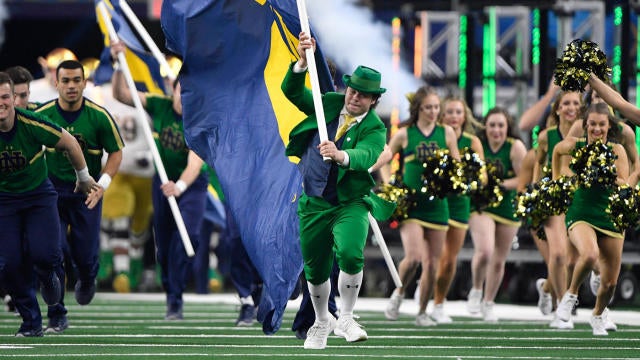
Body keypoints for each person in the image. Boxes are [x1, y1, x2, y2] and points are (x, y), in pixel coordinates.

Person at [282, 31, 393, 350]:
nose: (354, 97)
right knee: (315, 267)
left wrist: (341, 155)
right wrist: (302, 62)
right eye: (352, 90)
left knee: (349, 251)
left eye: (362, 95)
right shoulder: (327, 103)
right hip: (314, 200)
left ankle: (345, 316)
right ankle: (320, 321)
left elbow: (368, 155)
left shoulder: (375, 127)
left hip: (350, 202)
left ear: (373, 100)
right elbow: (291, 91)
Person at [111, 41, 208, 320]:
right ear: (173, 89)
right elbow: (121, 93)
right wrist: (120, 64)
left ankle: (177, 296)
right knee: (163, 247)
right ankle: (171, 296)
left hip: (189, 186)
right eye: (181, 91)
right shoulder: (160, 105)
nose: (184, 98)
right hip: (161, 184)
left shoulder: (200, 119)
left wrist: (179, 186)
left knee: (188, 236)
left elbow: (195, 162)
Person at [0, 72, 97, 336]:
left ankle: (50, 274)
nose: (3, 103)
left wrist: (84, 177)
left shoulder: (31, 122)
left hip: (37, 197)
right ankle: (30, 322)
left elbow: (70, 143)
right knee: (8, 263)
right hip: (4, 201)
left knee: (45, 253)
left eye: (6, 97)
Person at [35, 60, 124, 333]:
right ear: (57, 83)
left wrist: (102, 185)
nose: (71, 86)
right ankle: (56, 314)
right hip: (52, 193)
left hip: (87, 194)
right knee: (54, 252)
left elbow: (116, 152)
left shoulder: (99, 116)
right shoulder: (43, 114)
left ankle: (87, 276)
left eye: (76, 80)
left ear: (85, 82)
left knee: (85, 256)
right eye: (66, 81)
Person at [382, 86, 460, 326]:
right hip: (412, 206)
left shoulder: (447, 133)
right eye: (428, 107)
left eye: (436, 107)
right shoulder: (404, 134)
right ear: (418, 109)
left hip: (438, 206)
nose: (434, 112)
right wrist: (390, 185)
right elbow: (384, 159)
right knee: (414, 257)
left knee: (432, 264)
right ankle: (399, 292)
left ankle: (423, 312)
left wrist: (453, 177)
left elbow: (457, 165)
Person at [552, 102, 628, 336]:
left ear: (609, 126)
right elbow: (557, 152)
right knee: (590, 254)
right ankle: (570, 295)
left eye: (601, 124)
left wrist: (605, 174)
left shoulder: (617, 151)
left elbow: (624, 181)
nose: (597, 129)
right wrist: (558, 181)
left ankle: (597, 315)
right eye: (592, 124)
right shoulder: (576, 146)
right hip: (581, 210)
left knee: (610, 283)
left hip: (609, 214)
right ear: (585, 125)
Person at [467, 107, 527, 322]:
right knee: (484, 251)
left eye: (501, 125)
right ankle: (475, 289)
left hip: (507, 207)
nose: (496, 130)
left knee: (499, 260)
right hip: (482, 206)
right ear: (486, 127)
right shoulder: (477, 145)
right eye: (492, 125)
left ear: (507, 127)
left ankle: (489, 302)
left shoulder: (515, 147)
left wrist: (498, 184)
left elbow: (524, 179)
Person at [431, 96, 483, 323]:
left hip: (460, 204)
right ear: (442, 115)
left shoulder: (472, 141)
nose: (453, 116)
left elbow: (483, 176)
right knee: (434, 257)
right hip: (436, 202)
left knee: (450, 259)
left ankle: (439, 303)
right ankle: (427, 291)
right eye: (449, 112)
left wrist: (469, 179)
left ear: (465, 116)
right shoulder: (435, 136)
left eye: (458, 112)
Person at [532, 91, 582, 328]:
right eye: (567, 103)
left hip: (580, 201)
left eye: (576, 103)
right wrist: (536, 192)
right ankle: (562, 306)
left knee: (573, 260)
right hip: (554, 199)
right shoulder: (546, 136)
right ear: (558, 109)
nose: (571, 107)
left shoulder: (587, 134)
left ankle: (546, 287)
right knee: (559, 254)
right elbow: (537, 165)